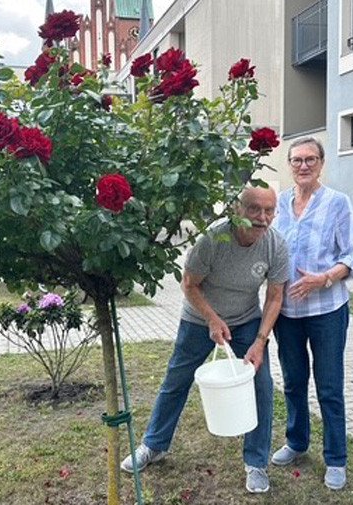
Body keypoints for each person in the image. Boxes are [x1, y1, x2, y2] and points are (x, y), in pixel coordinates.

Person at [121, 186, 290, 494]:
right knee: (177, 378)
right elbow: (189, 284)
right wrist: (212, 319)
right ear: (238, 209)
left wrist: (260, 341)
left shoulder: (276, 245)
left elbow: (275, 297)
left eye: (269, 211)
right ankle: (153, 445)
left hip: (245, 320)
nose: (262, 218)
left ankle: (256, 463)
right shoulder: (213, 239)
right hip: (199, 319)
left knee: (262, 384)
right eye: (255, 209)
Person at [270, 137, 353, 491]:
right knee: (293, 381)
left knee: (329, 386)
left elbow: (352, 254)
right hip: (287, 312)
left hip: (327, 310)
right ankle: (296, 441)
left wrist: (323, 278)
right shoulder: (277, 205)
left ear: (321, 163)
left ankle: (336, 458)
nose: (303, 165)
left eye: (310, 159)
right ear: (289, 165)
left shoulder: (337, 203)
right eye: (296, 160)